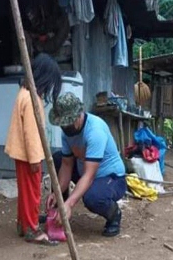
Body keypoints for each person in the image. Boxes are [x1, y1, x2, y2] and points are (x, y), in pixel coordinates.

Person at [47, 93, 128, 237]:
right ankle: (59, 210)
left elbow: (89, 175)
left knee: (92, 197)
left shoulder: (95, 131)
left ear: (79, 115)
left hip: (111, 177)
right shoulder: (66, 132)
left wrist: (71, 203)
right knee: (58, 159)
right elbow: (66, 165)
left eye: (68, 122)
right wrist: (57, 193)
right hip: (85, 171)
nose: (65, 127)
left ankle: (114, 215)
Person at [5, 53, 62, 245]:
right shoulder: (31, 99)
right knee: (32, 193)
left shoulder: (24, 92)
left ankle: (24, 223)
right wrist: (35, 160)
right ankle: (31, 228)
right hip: (28, 154)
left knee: (25, 192)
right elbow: (31, 134)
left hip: (21, 153)